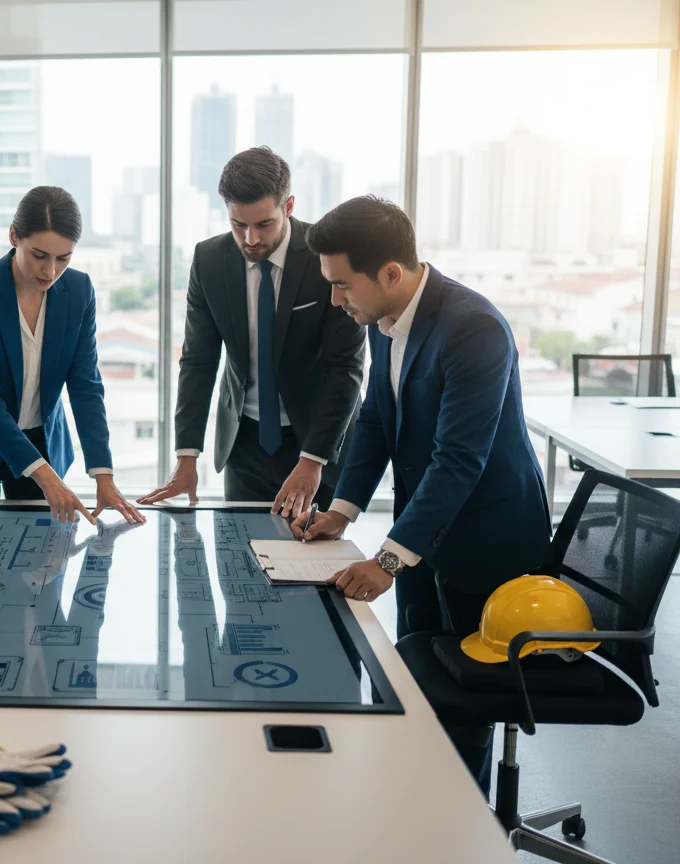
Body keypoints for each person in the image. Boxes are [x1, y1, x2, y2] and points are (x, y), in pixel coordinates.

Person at [294, 195, 553, 796]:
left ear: (390, 273)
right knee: (415, 680)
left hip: (487, 541)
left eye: (341, 284)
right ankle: (420, 806)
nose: (335, 299)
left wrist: (387, 558)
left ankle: (462, 829)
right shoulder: (382, 320)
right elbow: (377, 422)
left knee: (467, 704)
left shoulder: (475, 329)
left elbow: (459, 460)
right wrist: (342, 509)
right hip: (424, 534)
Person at [139, 147, 364, 516]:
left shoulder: (326, 257)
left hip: (317, 441)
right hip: (244, 444)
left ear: (288, 206)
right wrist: (186, 455)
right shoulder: (209, 260)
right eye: (238, 224)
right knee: (239, 562)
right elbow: (198, 361)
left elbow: (346, 367)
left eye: (263, 224)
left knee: (313, 565)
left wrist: (312, 460)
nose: (250, 239)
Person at [0, 186, 143, 525]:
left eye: (63, 259)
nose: (50, 271)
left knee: (40, 566)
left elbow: (85, 386)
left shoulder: (79, 291)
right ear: (14, 236)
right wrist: (45, 475)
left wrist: (103, 474)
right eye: (39, 255)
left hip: (42, 440)